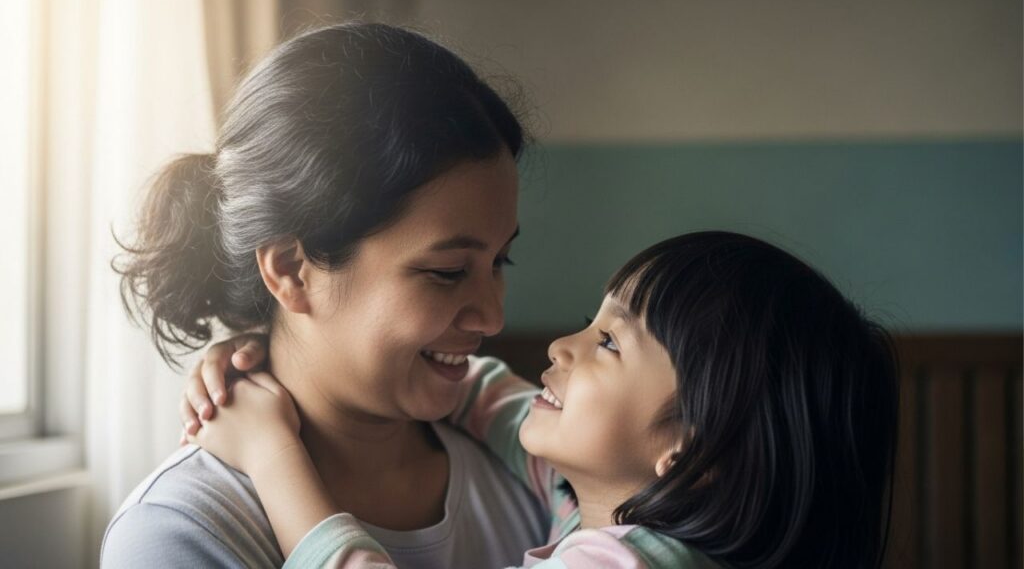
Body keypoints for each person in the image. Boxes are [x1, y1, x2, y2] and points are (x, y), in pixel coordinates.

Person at [102, 22, 551, 568]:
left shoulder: (538, 475)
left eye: (499, 260)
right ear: (291, 270)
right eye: (448, 271)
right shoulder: (181, 532)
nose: (493, 317)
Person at [184, 231, 900, 568]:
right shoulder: (597, 500)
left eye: (610, 344)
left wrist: (270, 451)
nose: (562, 346)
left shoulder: (623, 566)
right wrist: (285, 347)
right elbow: (491, 400)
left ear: (693, 452)